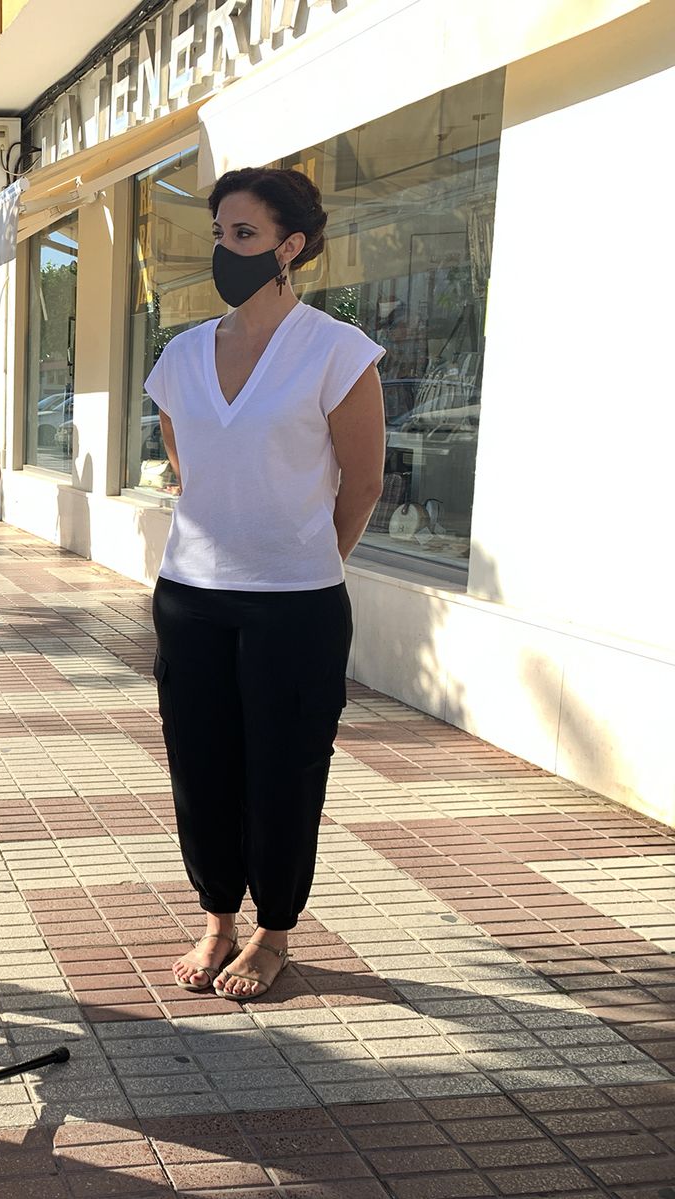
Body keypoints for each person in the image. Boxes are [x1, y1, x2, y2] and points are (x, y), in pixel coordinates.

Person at [146, 167, 385, 1002]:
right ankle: (215, 918)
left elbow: (362, 482)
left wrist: (312, 560)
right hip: (192, 595)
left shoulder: (337, 350)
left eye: (243, 235)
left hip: (298, 605)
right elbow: (188, 464)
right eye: (218, 233)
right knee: (201, 767)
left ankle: (274, 930)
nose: (225, 248)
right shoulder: (180, 356)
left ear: (290, 246)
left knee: (284, 771)